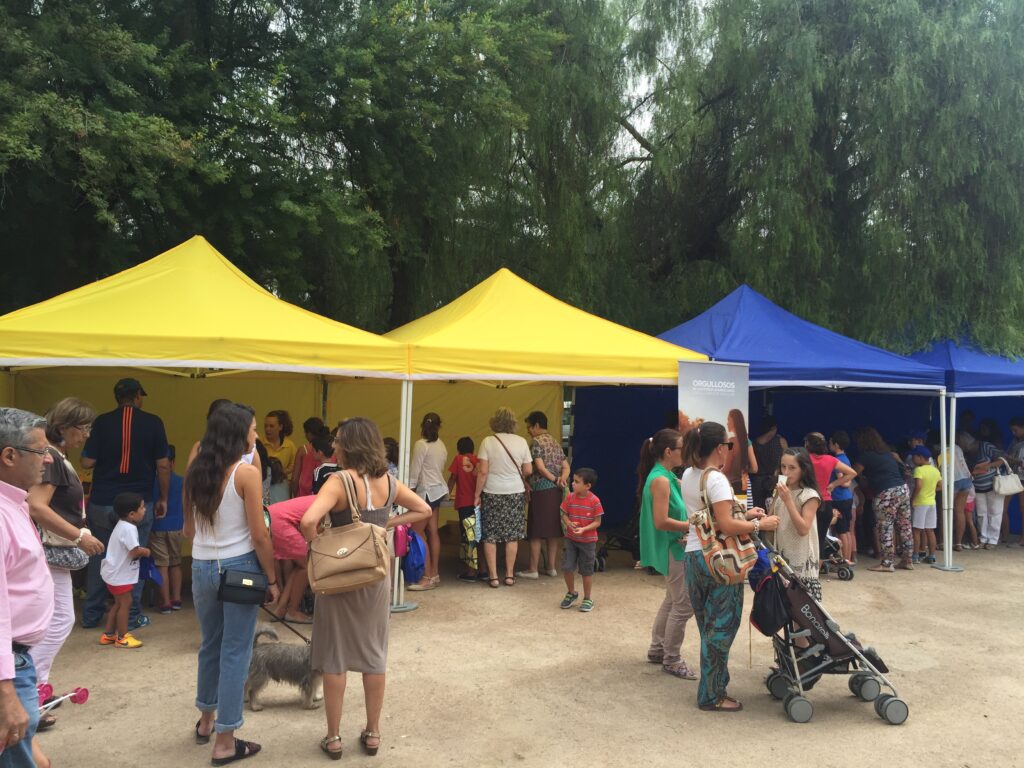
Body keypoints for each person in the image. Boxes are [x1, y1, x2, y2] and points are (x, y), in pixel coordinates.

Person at [298, 417, 430, 759]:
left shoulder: (339, 481)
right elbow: (423, 509)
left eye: (339, 441)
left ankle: (334, 737)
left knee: (335, 657)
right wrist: (384, 524)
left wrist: (320, 546)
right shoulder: (387, 480)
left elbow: (308, 521)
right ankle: (372, 732)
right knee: (374, 654)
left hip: (340, 575)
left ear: (350, 445)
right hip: (375, 573)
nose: (334, 446)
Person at [186, 403, 279, 765]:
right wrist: (272, 578)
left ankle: (206, 720)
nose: (256, 435)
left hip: (201, 564)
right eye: (253, 429)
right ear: (238, 433)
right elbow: (260, 535)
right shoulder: (246, 474)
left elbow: (188, 527)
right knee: (236, 650)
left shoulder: (197, 467)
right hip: (239, 566)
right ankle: (226, 738)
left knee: (210, 645)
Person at [680, 421, 778, 712]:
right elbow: (725, 524)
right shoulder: (717, 479)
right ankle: (712, 694)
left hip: (694, 556)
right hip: (721, 562)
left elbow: (707, 515)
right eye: (730, 445)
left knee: (707, 627)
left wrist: (746, 513)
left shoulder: (689, 475)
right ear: (720, 448)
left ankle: (713, 686)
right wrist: (761, 523)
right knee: (721, 629)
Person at [25, 398, 103, 731]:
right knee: (58, 620)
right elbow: (38, 506)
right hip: (52, 549)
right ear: (69, 427)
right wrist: (79, 536)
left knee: (52, 620)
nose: (86, 436)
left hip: (51, 549)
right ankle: (32, 694)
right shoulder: (54, 459)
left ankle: (31, 691)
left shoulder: (55, 458)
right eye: (84, 429)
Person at [79, 378, 169, 631]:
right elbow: (163, 465)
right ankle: (131, 616)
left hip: (103, 501)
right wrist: (162, 497)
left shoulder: (101, 422)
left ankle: (91, 615)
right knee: (134, 558)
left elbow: (86, 463)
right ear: (138, 395)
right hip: (138, 504)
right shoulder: (153, 422)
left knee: (100, 556)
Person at [0, 408, 57, 766]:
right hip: (8, 668)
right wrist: (7, 692)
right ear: (9, 455)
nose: (48, 459)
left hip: (17, 661)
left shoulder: (14, 502)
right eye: (41, 451)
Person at [637, 428, 696, 680]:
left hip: (674, 546)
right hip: (674, 547)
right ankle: (671, 658)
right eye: (682, 448)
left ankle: (658, 649)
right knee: (683, 605)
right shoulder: (661, 479)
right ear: (668, 452)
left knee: (672, 600)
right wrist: (692, 526)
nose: (686, 453)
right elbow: (661, 521)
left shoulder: (667, 476)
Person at [475, 408, 533, 588]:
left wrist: (477, 494)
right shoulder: (522, 441)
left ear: (494, 422)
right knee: (512, 536)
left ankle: (493, 577)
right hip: (515, 492)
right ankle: (509, 575)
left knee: (490, 536)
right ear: (513, 423)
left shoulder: (487, 441)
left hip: (492, 492)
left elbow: (483, 472)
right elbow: (528, 470)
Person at [854, 427, 913, 572]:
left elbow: (853, 472)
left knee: (885, 527)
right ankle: (908, 560)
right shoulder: (887, 454)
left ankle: (887, 563)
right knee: (905, 526)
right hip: (902, 489)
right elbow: (905, 471)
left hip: (886, 493)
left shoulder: (865, 456)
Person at [519, 411, 570, 580]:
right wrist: (561, 479)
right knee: (553, 531)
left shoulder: (536, 442)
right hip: (556, 492)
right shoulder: (555, 442)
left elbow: (539, 467)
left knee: (536, 531)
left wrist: (554, 479)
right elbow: (566, 466)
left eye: (529, 427)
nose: (528, 430)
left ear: (536, 425)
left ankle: (533, 569)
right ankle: (551, 567)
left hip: (541, 490)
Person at [769, 449, 823, 599]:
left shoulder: (809, 495)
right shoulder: (781, 492)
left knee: (802, 615)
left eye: (792, 468)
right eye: (783, 467)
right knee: (782, 612)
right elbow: (771, 521)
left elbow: (803, 529)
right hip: (782, 562)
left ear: (804, 469)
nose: (786, 472)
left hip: (802, 565)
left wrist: (788, 500)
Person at [99, 493, 150, 649]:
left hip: (113, 573)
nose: (145, 510)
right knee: (126, 604)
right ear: (132, 514)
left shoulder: (121, 525)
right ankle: (122, 637)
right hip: (120, 576)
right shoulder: (129, 529)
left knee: (118, 603)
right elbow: (134, 552)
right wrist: (145, 551)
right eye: (142, 507)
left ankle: (108, 635)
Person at [407, 413, 447, 591]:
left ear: (422, 425)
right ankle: (435, 573)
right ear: (440, 426)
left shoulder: (420, 445)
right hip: (438, 490)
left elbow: (414, 472)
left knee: (417, 532)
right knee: (432, 531)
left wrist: (408, 493)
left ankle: (427, 576)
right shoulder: (442, 445)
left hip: (426, 492)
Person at [803, 432, 856, 564]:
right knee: (820, 538)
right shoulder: (830, 459)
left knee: (804, 537)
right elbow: (852, 473)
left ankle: (806, 569)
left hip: (808, 500)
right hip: (826, 501)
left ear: (808, 445)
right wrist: (833, 484)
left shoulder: (804, 459)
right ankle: (816, 572)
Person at [558, 468, 603, 612]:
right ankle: (571, 593)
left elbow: (597, 521)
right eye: (573, 481)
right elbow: (564, 514)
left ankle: (587, 598)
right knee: (567, 567)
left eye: (577, 482)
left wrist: (584, 529)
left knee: (586, 571)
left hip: (588, 542)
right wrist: (568, 523)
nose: (573, 484)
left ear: (587, 486)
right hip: (571, 539)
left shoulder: (594, 501)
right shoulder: (570, 497)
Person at [267, 496, 316, 623]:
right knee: (307, 566)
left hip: (273, 519)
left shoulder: (321, 496)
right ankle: (292, 611)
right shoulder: (333, 500)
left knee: (300, 566)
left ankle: (281, 608)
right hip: (280, 522)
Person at [150, 445, 184, 614]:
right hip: (177, 526)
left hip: (157, 527)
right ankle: (177, 598)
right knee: (176, 563)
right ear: (173, 462)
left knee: (161, 566)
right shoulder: (181, 481)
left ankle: (165, 603)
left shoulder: (151, 481)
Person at [960, 428, 1005, 550]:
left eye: (962, 444)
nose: (962, 447)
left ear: (967, 443)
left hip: (993, 485)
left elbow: (1002, 459)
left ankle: (993, 539)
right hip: (978, 487)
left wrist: (987, 465)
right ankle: (984, 537)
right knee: (981, 514)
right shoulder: (967, 453)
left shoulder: (985, 446)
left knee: (995, 512)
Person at [447, 437, 480, 582]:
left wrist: (447, 492)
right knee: (477, 536)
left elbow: (453, 478)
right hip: (477, 503)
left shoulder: (458, 459)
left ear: (459, 449)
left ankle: (470, 572)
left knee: (467, 537)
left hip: (464, 503)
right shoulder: (478, 460)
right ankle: (482, 570)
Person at [939, 434, 978, 551]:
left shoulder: (943, 450)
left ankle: (943, 542)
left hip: (953, 480)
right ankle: (958, 544)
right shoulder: (958, 447)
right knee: (959, 512)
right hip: (966, 480)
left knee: (945, 511)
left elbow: (943, 468)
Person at [828, 431, 856, 565]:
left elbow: (844, 481)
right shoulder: (846, 458)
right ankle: (848, 558)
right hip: (847, 498)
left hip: (839, 498)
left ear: (836, 444)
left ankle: (845, 560)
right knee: (847, 530)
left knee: (841, 531)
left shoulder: (837, 461)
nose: (829, 445)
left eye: (830, 442)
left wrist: (833, 485)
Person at [910, 446, 941, 564]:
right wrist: (931, 490)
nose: (912, 459)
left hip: (920, 502)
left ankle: (915, 555)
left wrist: (913, 498)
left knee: (917, 530)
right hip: (931, 502)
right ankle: (932, 555)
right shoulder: (935, 470)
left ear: (920, 457)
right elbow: (940, 486)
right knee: (930, 530)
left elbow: (918, 485)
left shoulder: (918, 470)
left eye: (914, 457)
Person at [751, 417, 788, 509]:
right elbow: (788, 459)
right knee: (777, 508)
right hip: (777, 478)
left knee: (758, 509)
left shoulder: (755, 442)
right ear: (774, 428)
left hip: (758, 480)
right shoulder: (781, 441)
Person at [724, 409, 758, 498]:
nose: (727, 423)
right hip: (744, 484)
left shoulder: (731, 442)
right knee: (744, 510)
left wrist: (714, 472)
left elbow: (727, 467)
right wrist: (743, 469)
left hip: (731, 485)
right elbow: (754, 468)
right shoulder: (747, 442)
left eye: (728, 420)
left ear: (734, 422)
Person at [291, 417, 328, 498]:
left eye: (305, 432)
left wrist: (293, 494)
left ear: (309, 433)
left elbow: (295, 478)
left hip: (303, 494)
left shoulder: (303, 450)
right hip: (322, 493)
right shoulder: (329, 448)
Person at [263, 409, 297, 486]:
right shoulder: (259, 444)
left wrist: (283, 472)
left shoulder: (289, 445)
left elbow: (294, 464)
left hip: (282, 484)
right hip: (263, 484)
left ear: (280, 427)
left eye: (271, 426)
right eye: (266, 426)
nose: (267, 429)